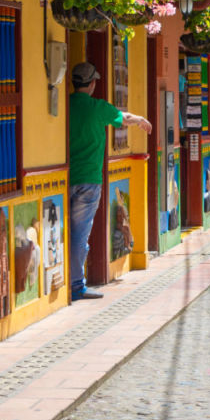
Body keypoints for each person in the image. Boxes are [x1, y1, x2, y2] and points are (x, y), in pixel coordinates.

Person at [68, 62, 152, 301]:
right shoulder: (97, 107)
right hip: (89, 180)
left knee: (69, 233)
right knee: (80, 235)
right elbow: (122, 117)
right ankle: (76, 286)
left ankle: (70, 282)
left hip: (66, 179)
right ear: (93, 83)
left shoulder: (66, 106)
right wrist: (140, 119)